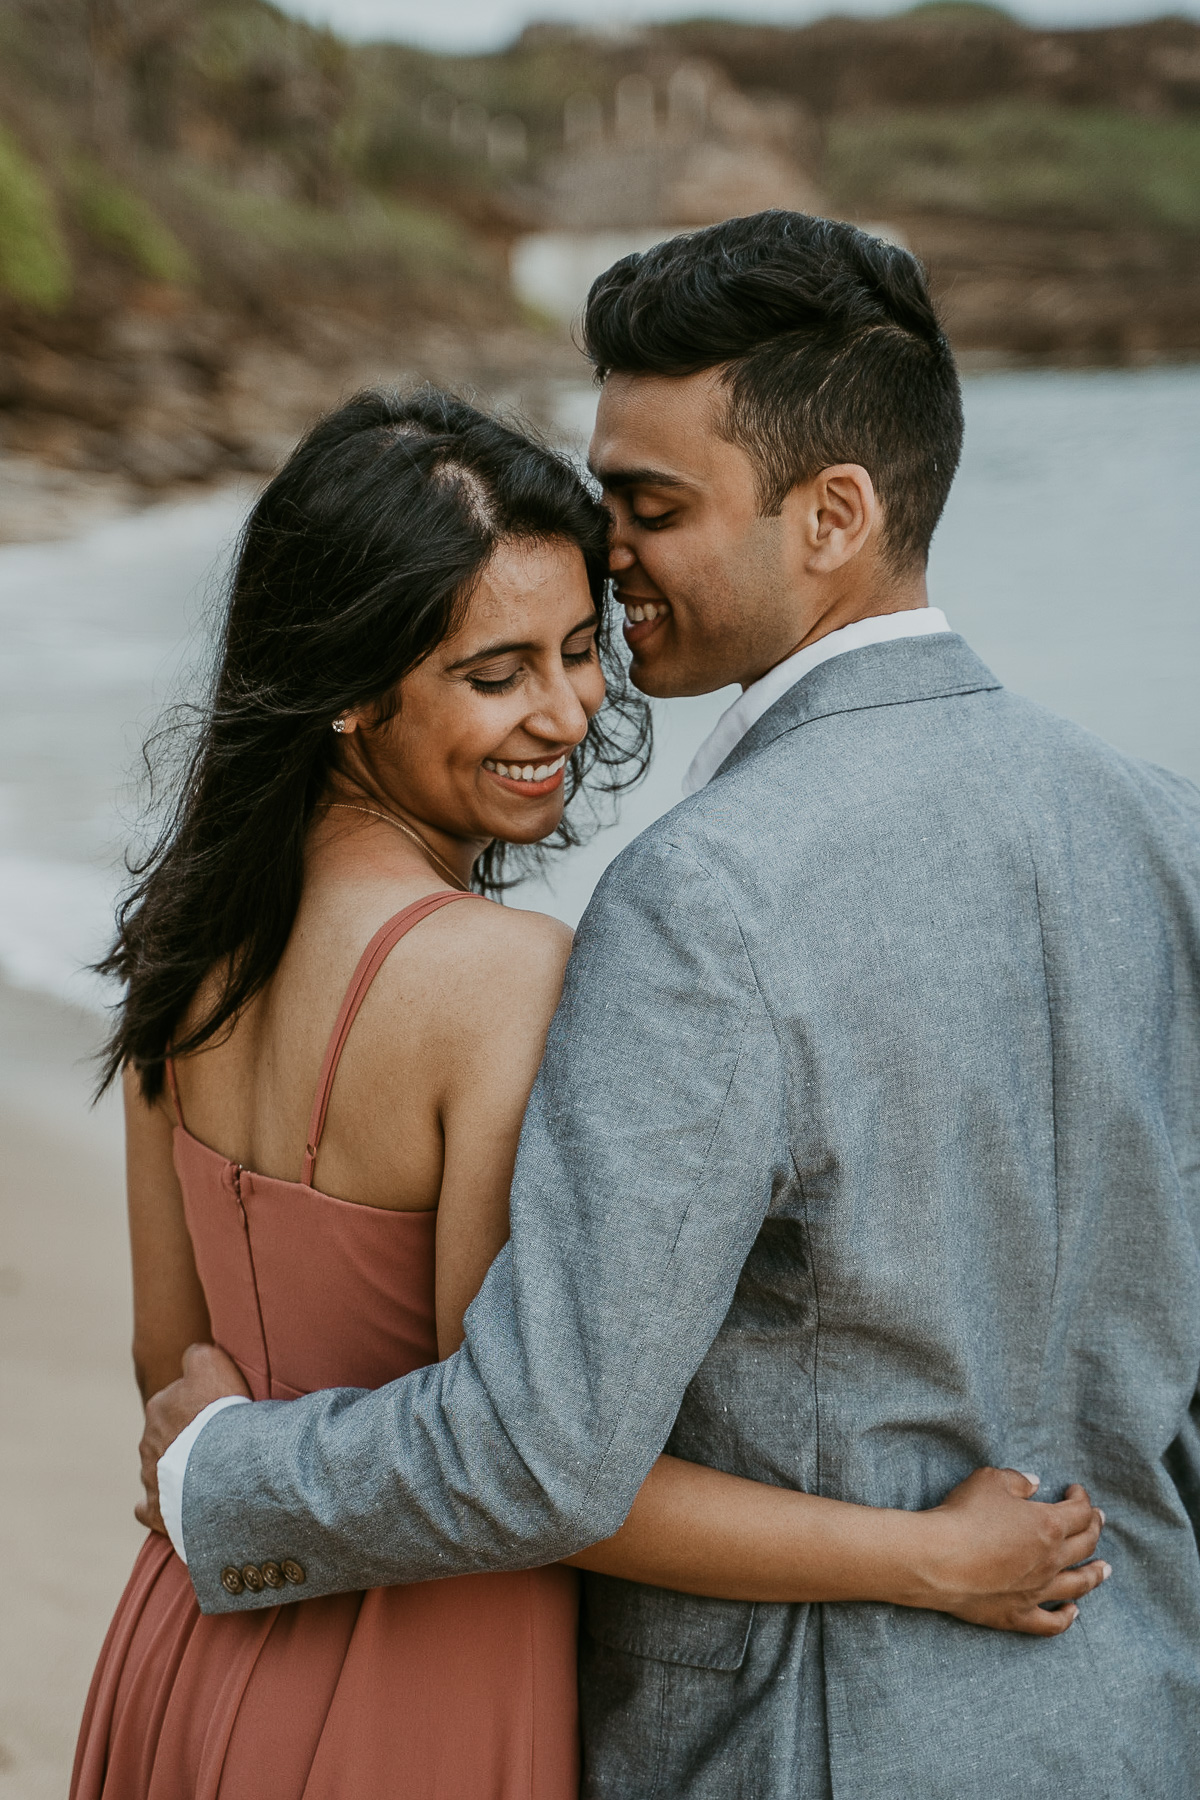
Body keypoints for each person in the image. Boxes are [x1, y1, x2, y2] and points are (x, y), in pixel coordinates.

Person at [134, 211, 1200, 1799]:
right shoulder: (1162, 826)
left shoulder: (704, 898)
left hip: (801, 1746)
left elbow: (541, 1451)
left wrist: (225, 1471)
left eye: (651, 506)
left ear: (833, 512)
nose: (610, 552)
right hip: (1133, 1707)